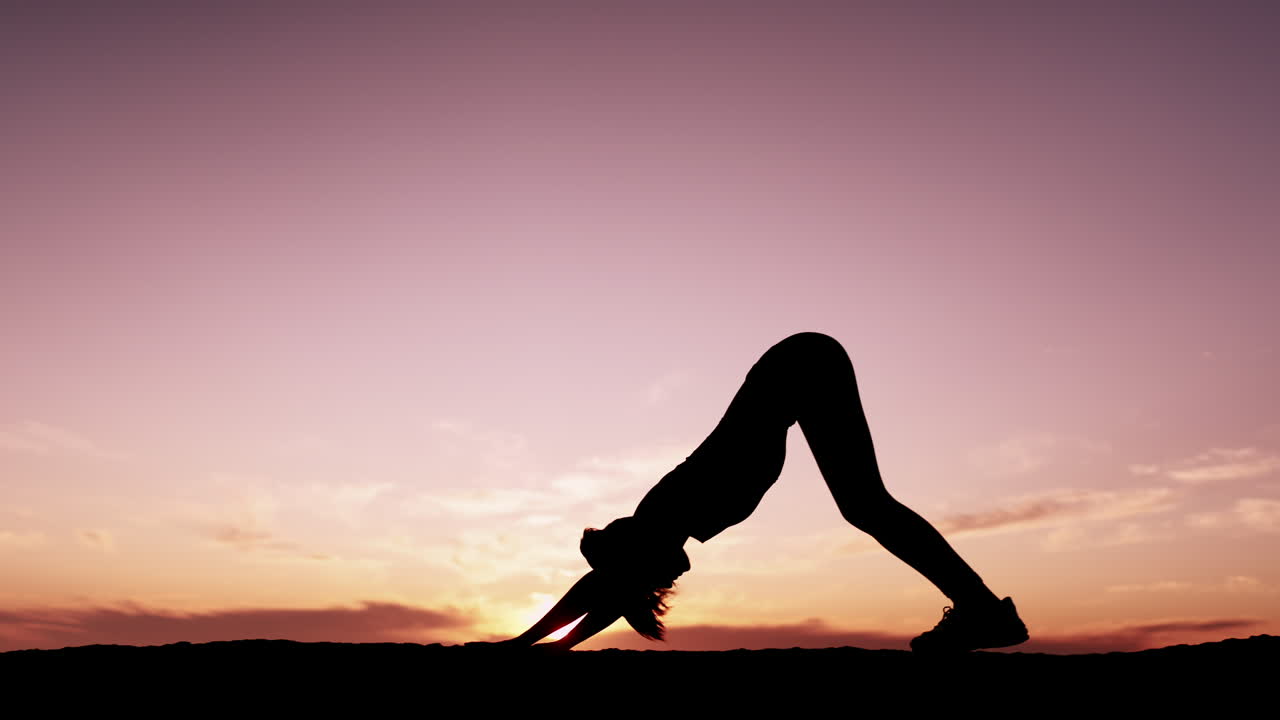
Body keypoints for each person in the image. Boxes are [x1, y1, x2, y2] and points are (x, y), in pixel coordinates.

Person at [490, 332, 1028, 653]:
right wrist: (554, 646)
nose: (676, 576)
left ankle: (981, 610)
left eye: (659, 576)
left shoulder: (666, 511)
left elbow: (605, 588)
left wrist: (528, 645)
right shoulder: (676, 520)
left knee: (865, 505)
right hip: (802, 367)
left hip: (802, 365)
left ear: (637, 556)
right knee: (864, 505)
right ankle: (981, 608)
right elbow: (614, 587)